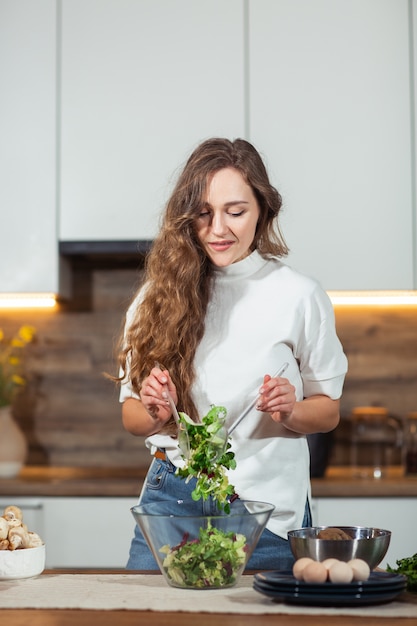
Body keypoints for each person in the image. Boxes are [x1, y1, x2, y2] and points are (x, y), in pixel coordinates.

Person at [116, 137, 348, 571]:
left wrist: (292, 411)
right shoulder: (156, 296)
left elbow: (328, 410)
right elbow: (131, 415)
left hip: (264, 510)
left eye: (235, 212)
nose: (218, 228)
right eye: (203, 213)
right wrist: (153, 409)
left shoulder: (298, 295)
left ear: (263, 208)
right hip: (172, 496)